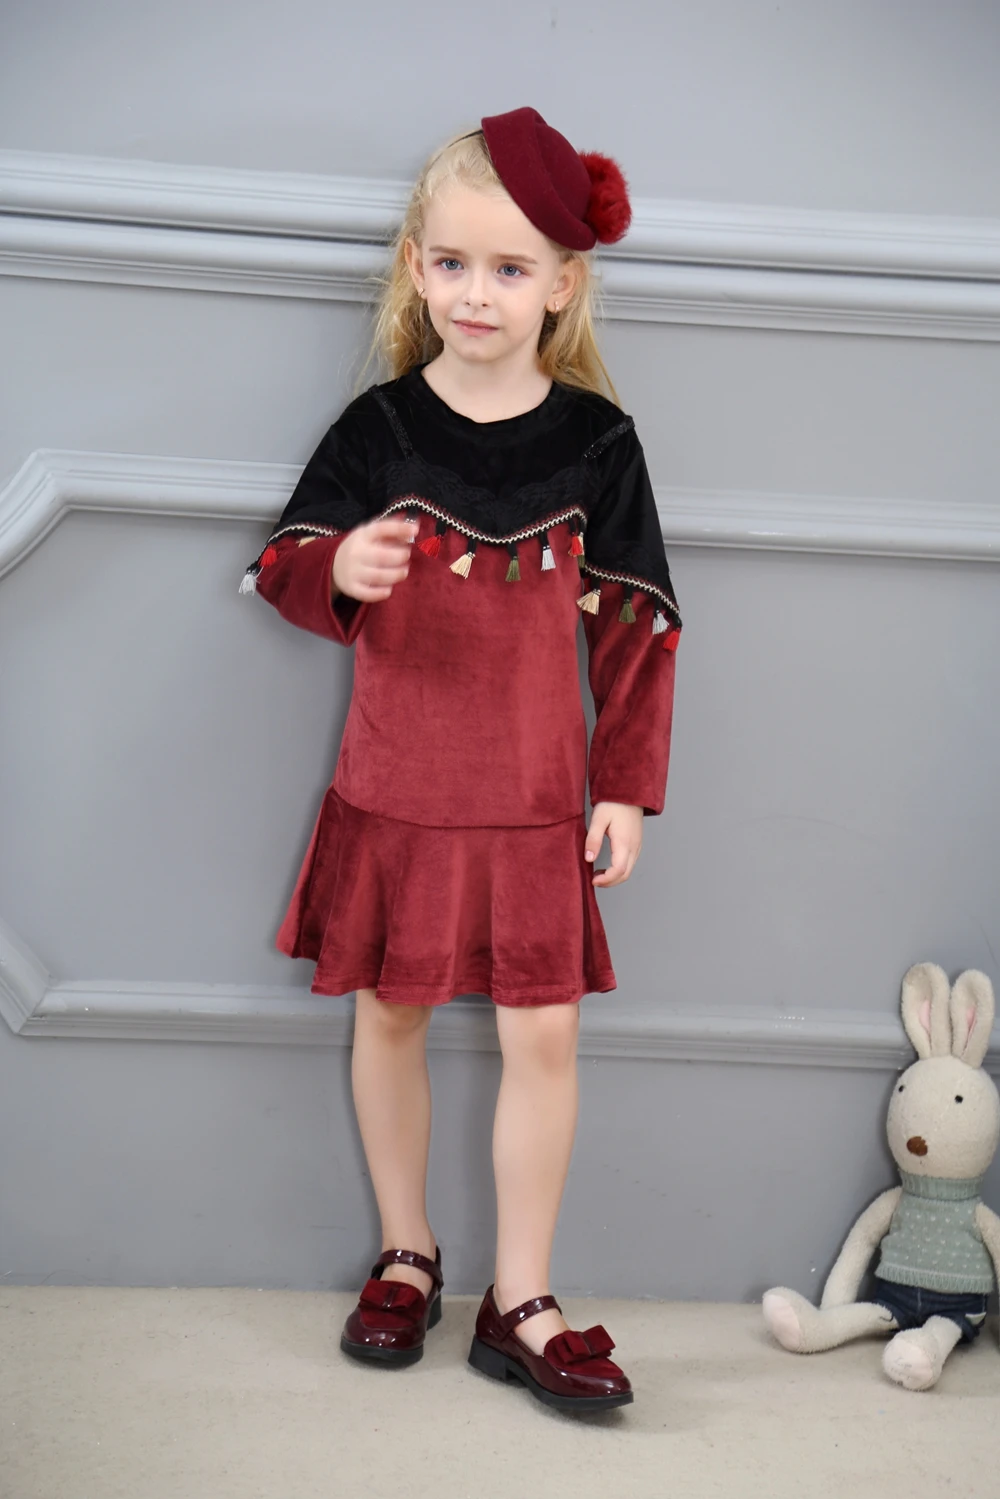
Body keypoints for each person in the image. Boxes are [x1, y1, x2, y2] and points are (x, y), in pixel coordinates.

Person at [241, 107, 681, 1414]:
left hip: (537, 803)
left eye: (507, 267)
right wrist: (341, 563)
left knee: (545, 1040)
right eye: (450, 263)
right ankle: (407, 1251)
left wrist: (623, 785)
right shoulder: (380, 426)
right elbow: (282, 562)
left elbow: (640, 625)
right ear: (416, 267)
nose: (475, 293)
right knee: (389, 1015)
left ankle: (522, 1296)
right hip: (397, 792)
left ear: (562, 284)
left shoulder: (598, 443)